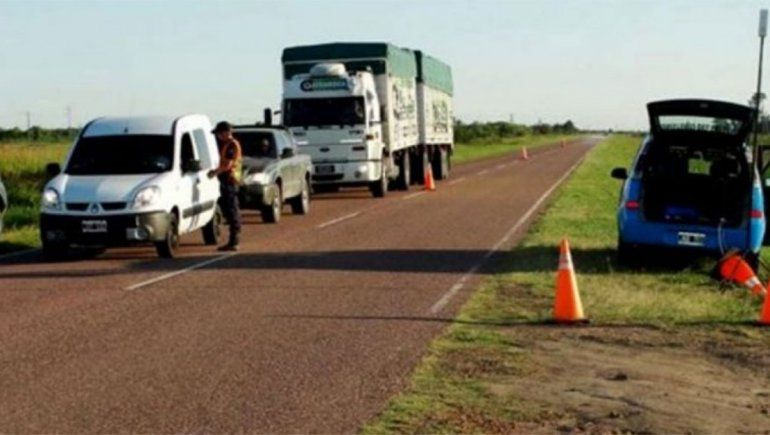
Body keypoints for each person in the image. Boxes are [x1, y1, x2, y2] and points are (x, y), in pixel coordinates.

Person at [208, 121, 243, 251]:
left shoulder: (232, 145)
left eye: (219, 133)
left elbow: (228, 164)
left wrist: (214, 173)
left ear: (226, 133)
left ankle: (234, 241)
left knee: (232, 210)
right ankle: (232, 240)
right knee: (228, 210)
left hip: (230, 180)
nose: (217, 136)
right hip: (227, 180)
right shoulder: (225, 145)